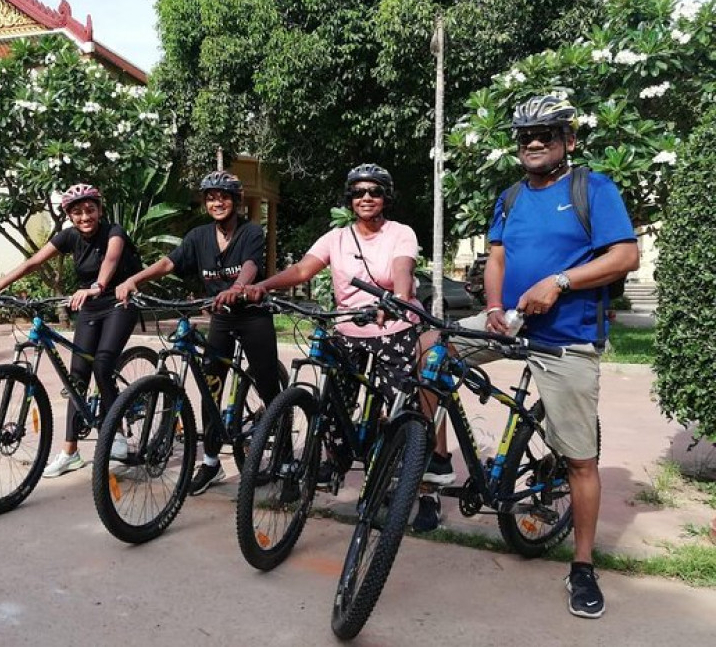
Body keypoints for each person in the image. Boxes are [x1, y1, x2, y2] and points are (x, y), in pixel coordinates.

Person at [457, 94, 638, 618]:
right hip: (508, 323)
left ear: (568, 141)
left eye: (547, 134)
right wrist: (492, 305)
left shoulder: (592, 189)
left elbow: (625, 255)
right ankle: (436, 465)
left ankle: (582, 567)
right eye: (525, 136)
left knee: (579, 459)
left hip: (566, 338)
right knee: (431, 348)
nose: (533, 142)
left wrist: (559, 282)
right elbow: (496, 257)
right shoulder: (510, 196)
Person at [240, 164, 452, 492]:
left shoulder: (400, 233)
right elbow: (301, 270)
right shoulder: (337, 237)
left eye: (375, 191)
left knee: (405, 411)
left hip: (393, 328)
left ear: (386, 196)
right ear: (349, 198)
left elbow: (403, 270)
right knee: (332, 401)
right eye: (358, 192)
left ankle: (424, 493)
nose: (366, 197)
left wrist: (395, 299)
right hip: (348, 330)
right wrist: (263, 287)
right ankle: (334, 462)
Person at [115, 170, 282, 496]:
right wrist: (135, 279)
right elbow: (168, 263)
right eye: (210, 198)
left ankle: (286, 459)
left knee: (268, 387)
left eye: (223, 197)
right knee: (211, 387)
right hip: (221, 317)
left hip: (252, 317)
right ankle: (210, 462)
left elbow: (251, 265)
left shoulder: (250, 231)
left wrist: (238, 287)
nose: (217, 202)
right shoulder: (199, 236)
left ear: (235, 201)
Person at [0, 183, 142, 478]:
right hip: (90, 306)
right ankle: (70, 452)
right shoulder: (69, 236)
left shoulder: (114, 232)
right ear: (69, 216)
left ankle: (116, 432)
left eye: (90, 210)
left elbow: (111, 260)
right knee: (77, 376)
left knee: (103, 365)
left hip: (119, 302)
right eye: (77, 212)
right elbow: (33, 262)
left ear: (99, 210)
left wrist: (97, 286)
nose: (84, 217)